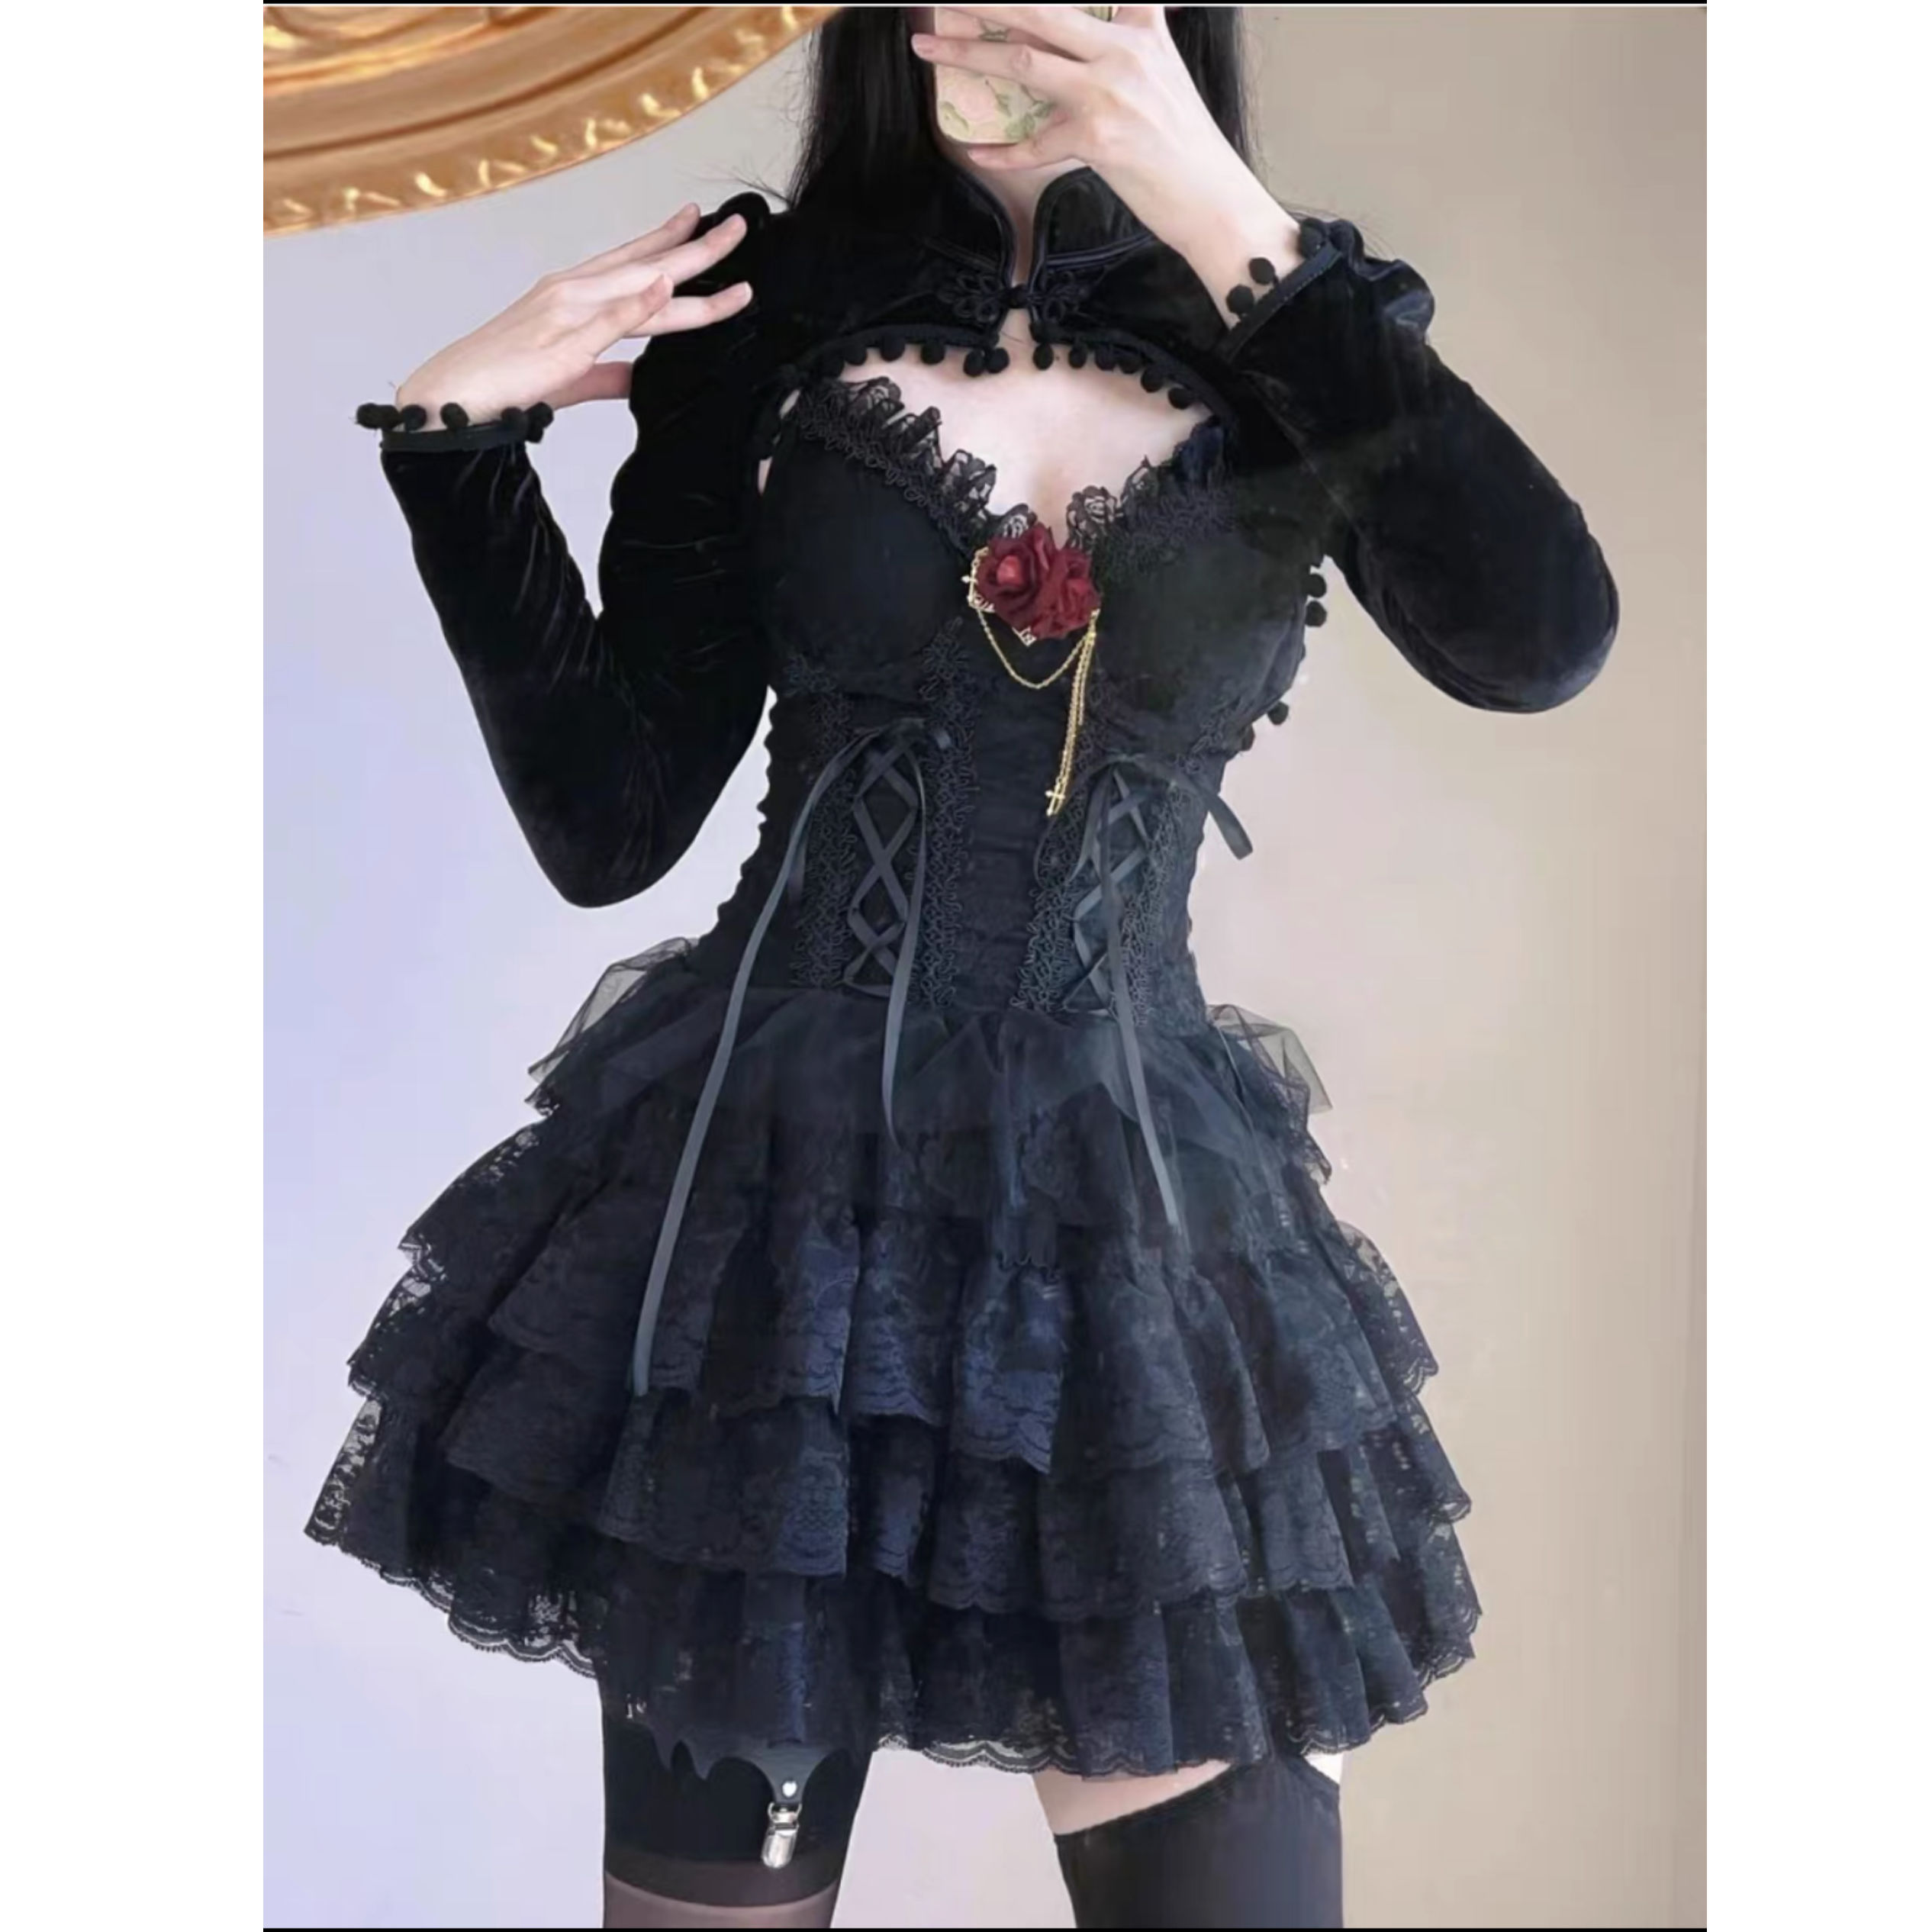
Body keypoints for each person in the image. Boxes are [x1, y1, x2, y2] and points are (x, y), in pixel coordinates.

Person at [308, 7, 1618, 1927]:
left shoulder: (1289, 313)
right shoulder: (759, 308)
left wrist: (1205, 193)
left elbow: (1537, 640)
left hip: (1135, 1245)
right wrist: (459, 449)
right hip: (769, 1243)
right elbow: (613, 822)